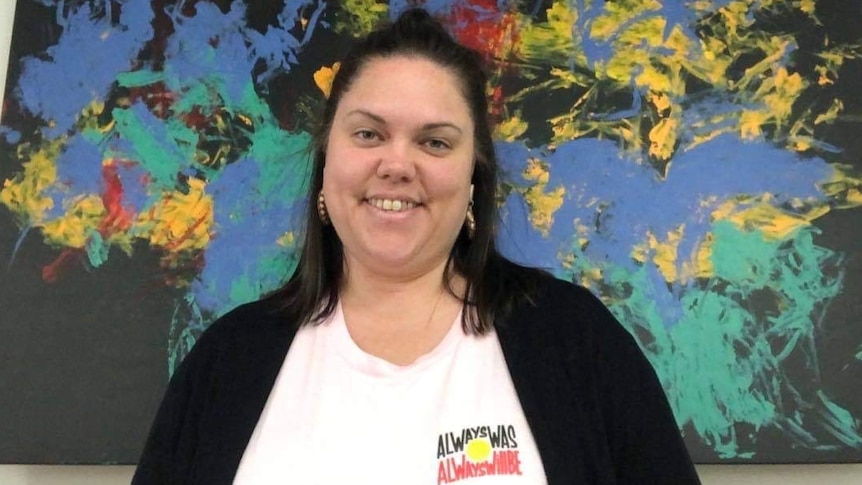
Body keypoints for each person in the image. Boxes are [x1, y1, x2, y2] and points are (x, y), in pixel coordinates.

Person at [132, 8, 701, 485]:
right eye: (368, 134)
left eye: (434, 141)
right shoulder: (228, 360)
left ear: (473, 177)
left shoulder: (577, 342)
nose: (397, 164)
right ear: (327, 162)